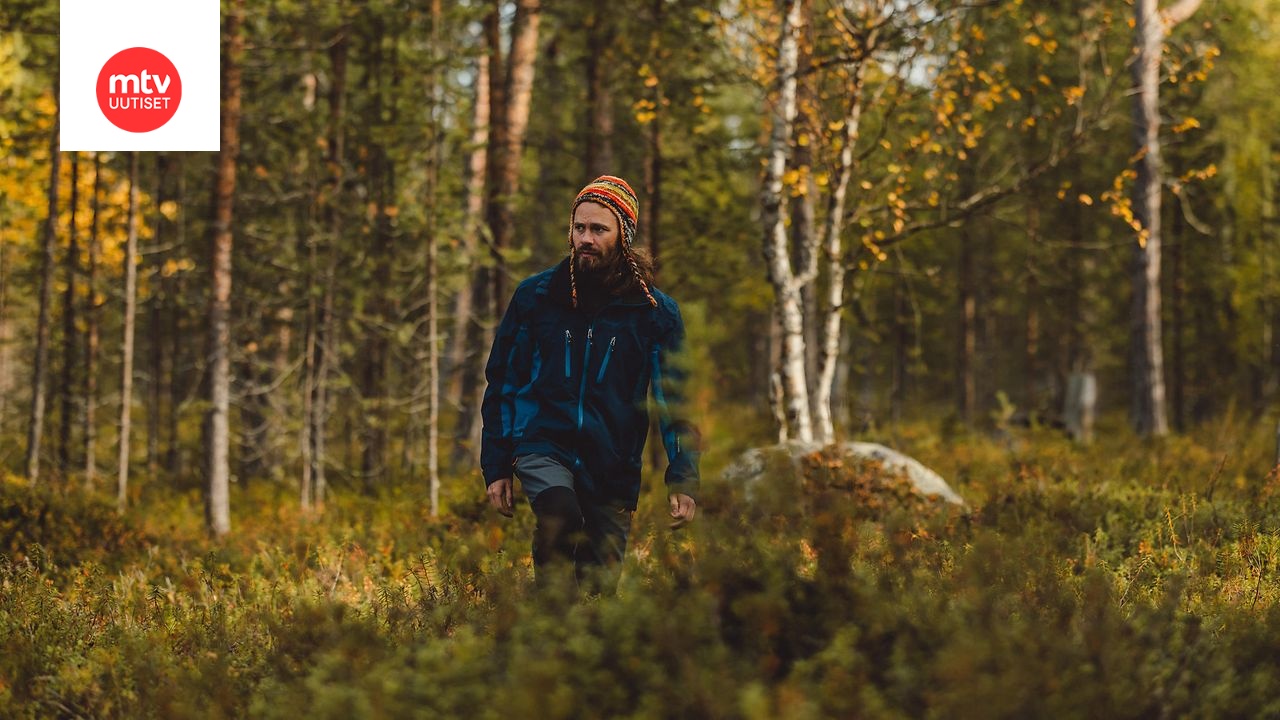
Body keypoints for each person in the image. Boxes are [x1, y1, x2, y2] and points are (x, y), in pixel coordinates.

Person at [480, 175, 701, 595]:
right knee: (559, 518)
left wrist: (684, 478)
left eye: (599, 229)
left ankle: (574, 646)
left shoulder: (654, 313)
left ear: (624, 235)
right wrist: (497, 463)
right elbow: (503, 381)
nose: (586, 238)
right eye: (579, 228)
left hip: (612, 464)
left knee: (598, 591)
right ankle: (546, 626)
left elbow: (676, 401)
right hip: (544, 445)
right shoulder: (536, 297)